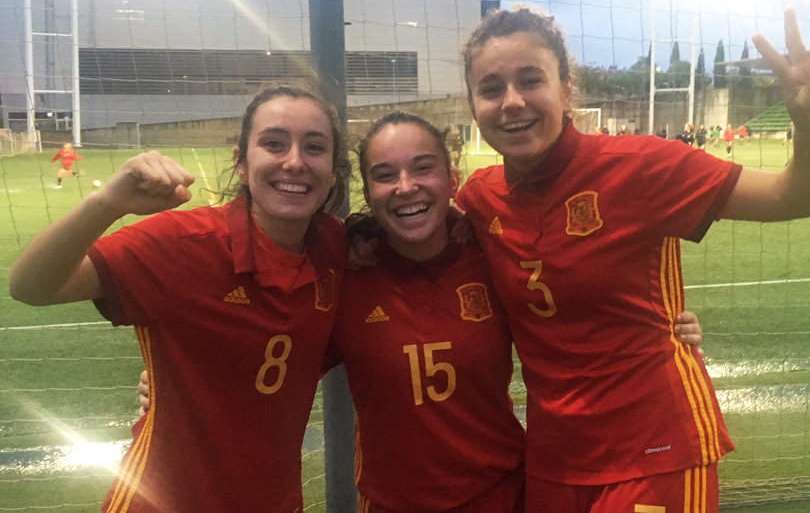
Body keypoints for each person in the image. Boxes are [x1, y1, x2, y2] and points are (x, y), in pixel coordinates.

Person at [135, 111, 709, 512]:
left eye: (423, 168)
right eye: (384, 175)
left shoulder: (489, 253)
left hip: (506, 495)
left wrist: (662, 330)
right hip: (391, 503)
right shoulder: (344, 275)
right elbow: (277, 351)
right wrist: (174, 381)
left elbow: (569, 311)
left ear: (452, 178)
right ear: (367, 190)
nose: (405, 186)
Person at [456, 6, 810, 513]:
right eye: (491, 89)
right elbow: (417, 245)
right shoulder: (479, 199)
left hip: (657, 449)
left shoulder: (638, 166)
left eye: (531, 80)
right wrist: (362, 242)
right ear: (473, 105)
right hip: (555, 460)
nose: (512, 101)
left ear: (567, 91)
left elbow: (799, 196)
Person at [9, 84, 351, 512]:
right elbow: (31, 287)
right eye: (274, 144)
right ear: (241, 163)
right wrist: (107, 203)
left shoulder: (338, 251)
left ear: (332, 172)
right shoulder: (183, 244)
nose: (295, 161)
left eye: (314, 147)